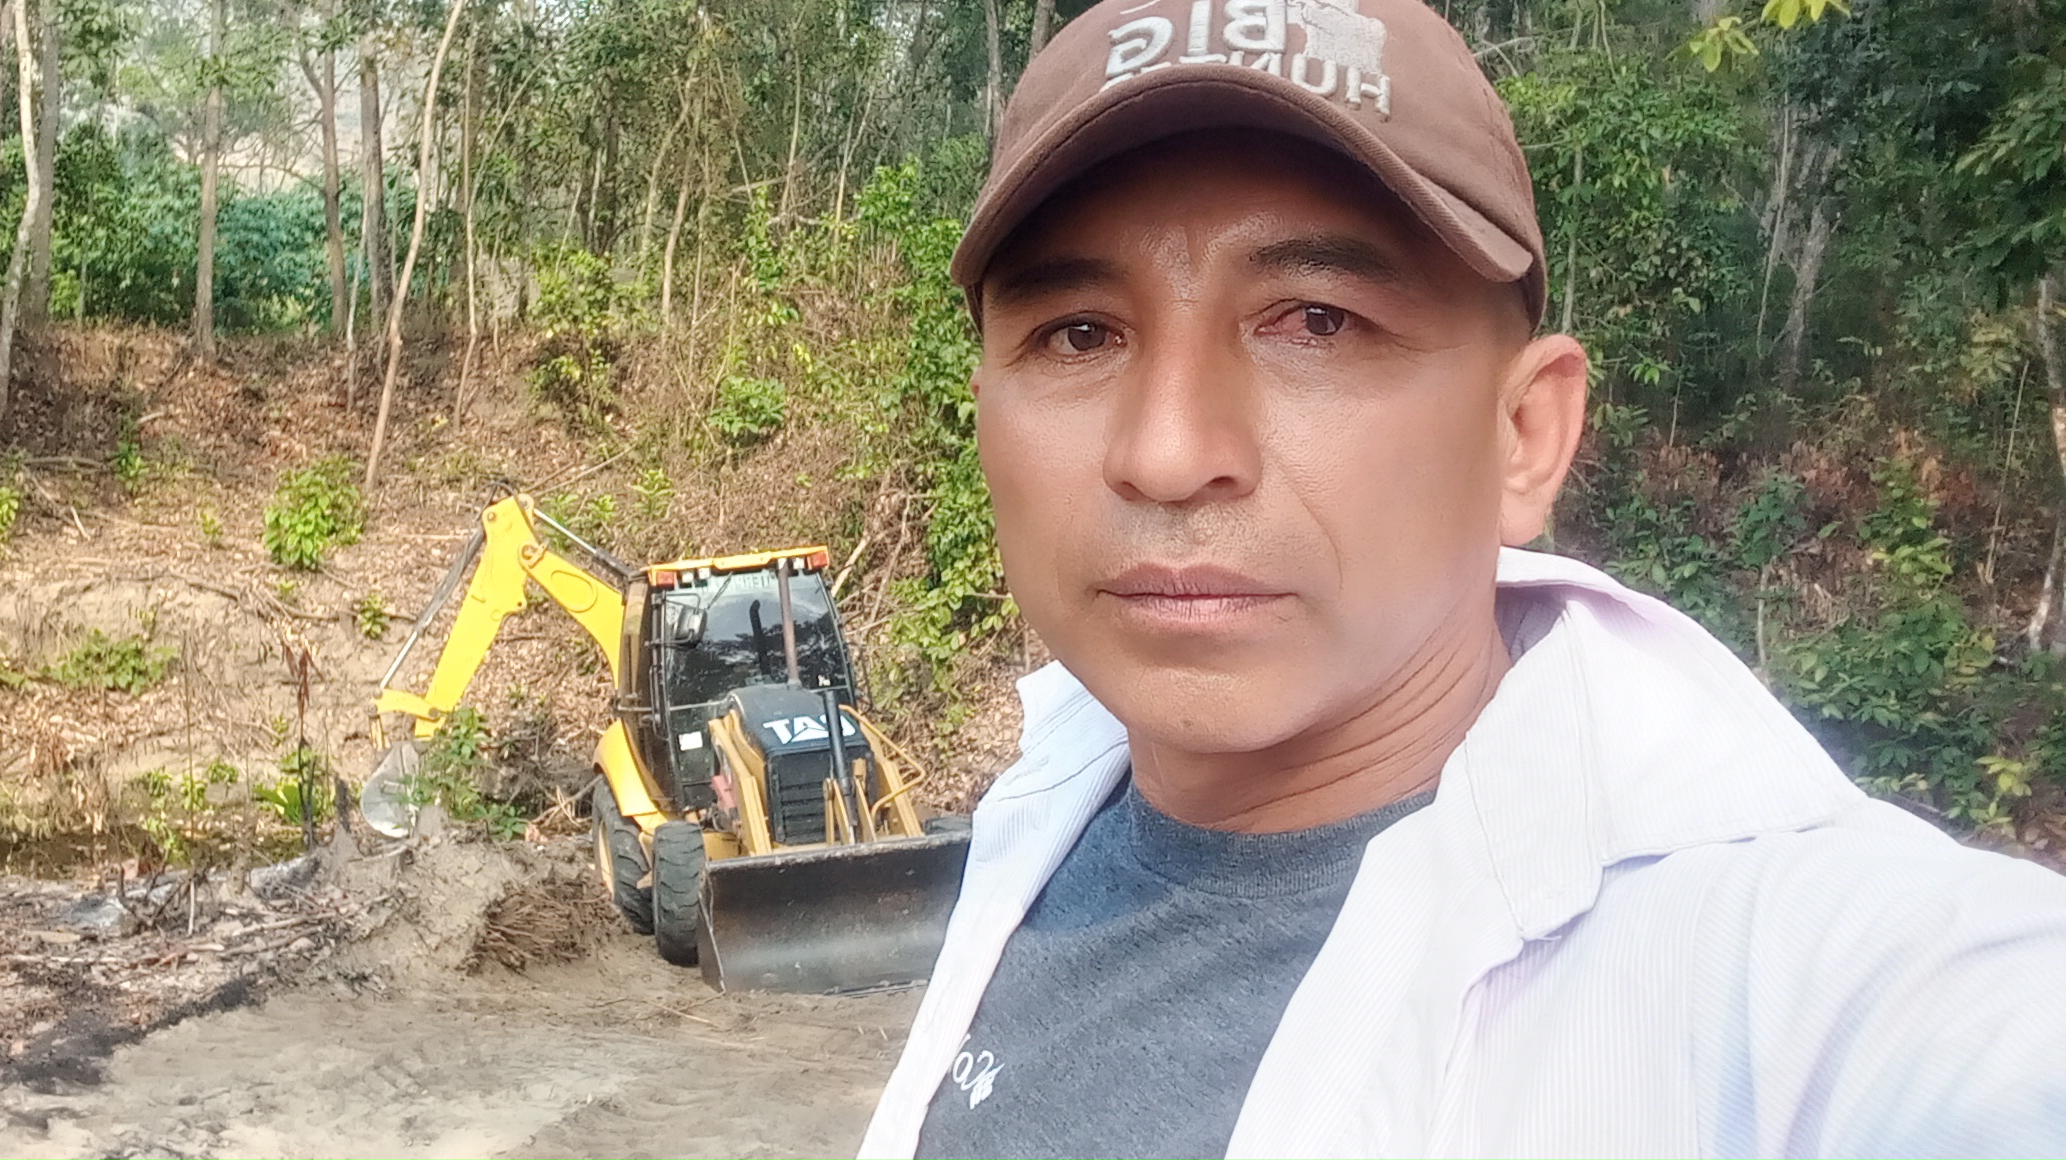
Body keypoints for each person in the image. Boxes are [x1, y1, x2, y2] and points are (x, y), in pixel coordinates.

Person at [856, 0, 2066, 1157]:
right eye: (1078, 333)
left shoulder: (1804, 973)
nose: (1168, 453)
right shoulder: (1052, 801)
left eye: (1318, 321)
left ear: (1524, 434)